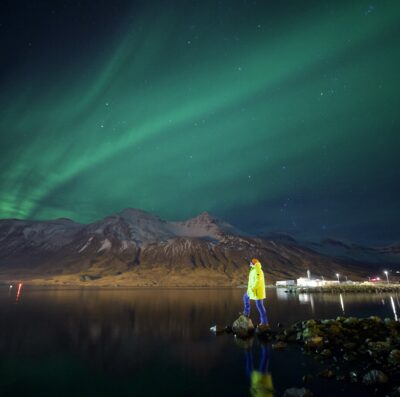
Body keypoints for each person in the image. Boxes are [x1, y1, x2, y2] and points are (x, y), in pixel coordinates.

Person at [242, 258, 269, 329]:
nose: (250, 263)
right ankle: (246, 313)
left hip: (257, 291)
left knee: (259, 305)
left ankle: (264, 322)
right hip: (251, 290)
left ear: (253, 263)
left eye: (251, 262)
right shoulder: (254, 269)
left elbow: (258, 281)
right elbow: (251, 281)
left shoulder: (257, 270)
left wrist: (253, 288)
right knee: (245, 297)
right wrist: (249, 289)